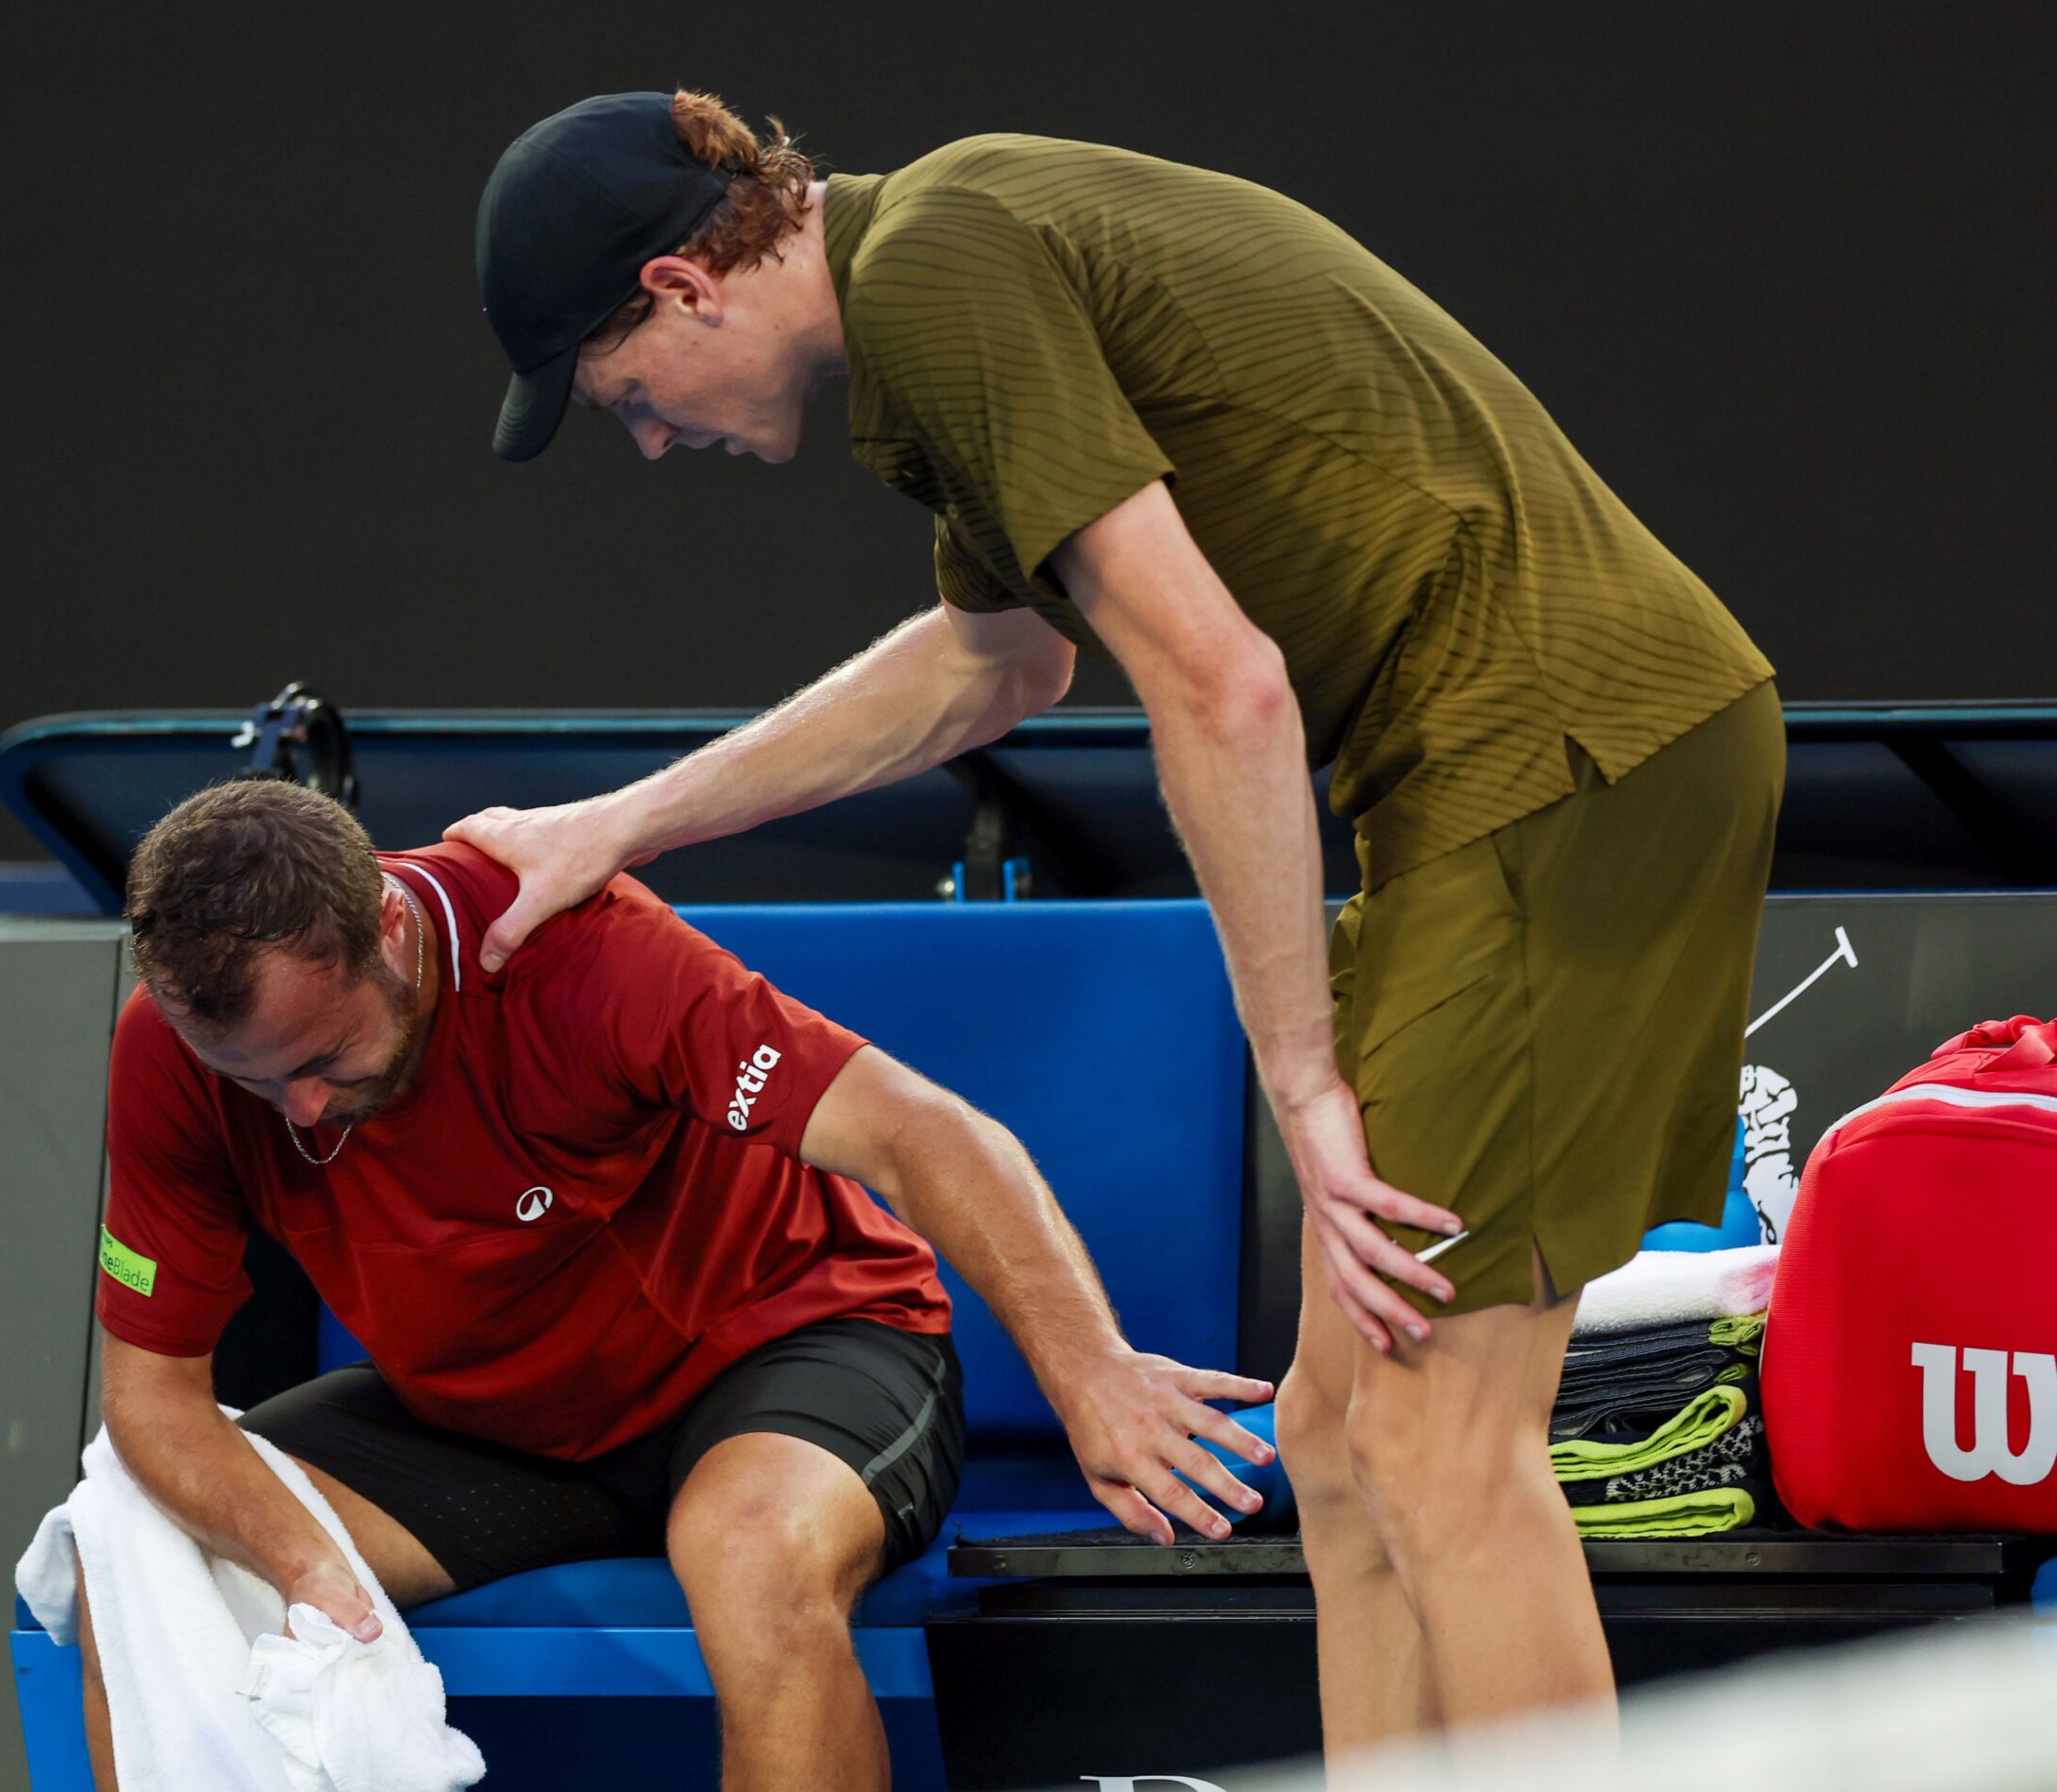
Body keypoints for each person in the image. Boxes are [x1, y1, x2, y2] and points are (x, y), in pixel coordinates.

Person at [462, 90, 1783, 1752]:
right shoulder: (936, 267)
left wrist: (1299, 1073)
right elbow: (992, 665)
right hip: (1506, 774)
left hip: (1563, 758)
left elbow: (1226, 689)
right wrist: (616, 824)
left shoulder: (939, 269)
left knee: (1441, 1440)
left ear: (682, 286)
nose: (654, 441)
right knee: (1334, 1437)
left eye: (626, 396)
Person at [77, 778, 1272, 1792]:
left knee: (752, 1553)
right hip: (500, 1423)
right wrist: (301, 1560)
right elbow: (151, 1399)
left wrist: (1090, 1371)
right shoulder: (172, 1056)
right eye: (254, 1082)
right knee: (134, 1549)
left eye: (326, 1058)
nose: (299, 1112)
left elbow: (925, 1134)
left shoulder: (578, 953)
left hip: (791, 1347)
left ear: (390, 927)